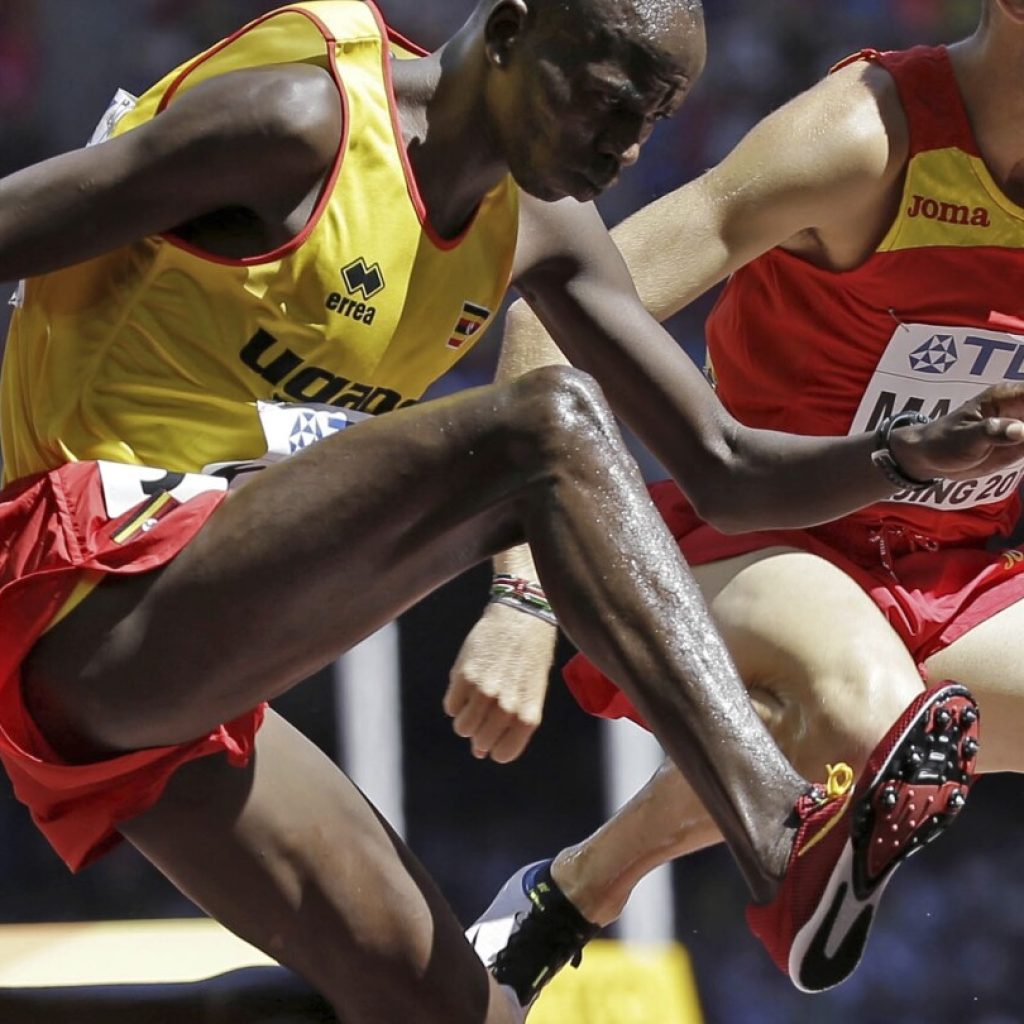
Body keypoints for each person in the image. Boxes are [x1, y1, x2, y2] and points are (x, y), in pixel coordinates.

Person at [0, 0, 1012, 1020]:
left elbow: (727, 468)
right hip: (70, 574)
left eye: (653, 120)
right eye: (610, 103)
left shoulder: (545, 226)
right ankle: (777, 825)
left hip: (186, 648)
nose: (624, 149)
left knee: (447, 1005)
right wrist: (521, 607)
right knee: (545, 426)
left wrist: (904, 454)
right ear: (511, 31)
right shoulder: (295, 123)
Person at [460, 0, 1024, 1007]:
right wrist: (521, 590)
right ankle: (779, 868)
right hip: (762, 539)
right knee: (872, 711)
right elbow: (560, 302)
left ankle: (572, 891)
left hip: (950, 572)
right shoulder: (862, 138)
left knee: (891, 724)